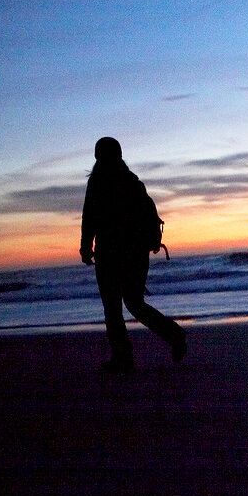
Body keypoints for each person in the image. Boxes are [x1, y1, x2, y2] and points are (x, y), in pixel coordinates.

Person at [80, 137, 186, 374]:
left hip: (110, 254)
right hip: (135, 254)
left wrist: (86, 247)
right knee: (134, 304)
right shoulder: (132, 181)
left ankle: (123, 358)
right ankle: (173, 335)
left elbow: (89, 217)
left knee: (114, 307)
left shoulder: (98, 182)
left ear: (98, 156)